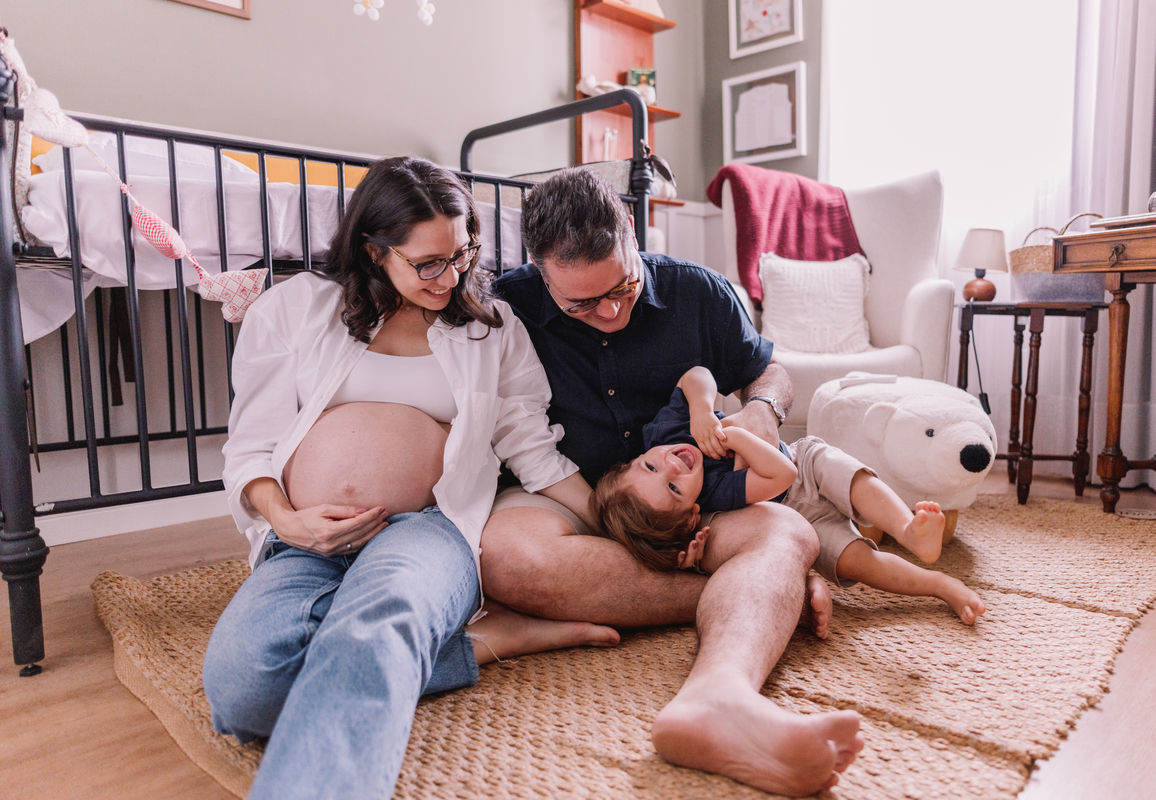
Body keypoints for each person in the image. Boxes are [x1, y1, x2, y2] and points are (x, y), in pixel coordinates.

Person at [203, 157, 617, 800]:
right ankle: (478, 644)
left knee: (374, 629)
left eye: (462, 253)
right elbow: (250, 448)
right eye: (428, 263)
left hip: (428, 531)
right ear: (374, 251)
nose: (451, 276)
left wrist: (622, 535)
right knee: (244, 690)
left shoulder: (493, 328)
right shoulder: (295, 309)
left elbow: (535, 454)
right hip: (305, 537)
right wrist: (290, 523)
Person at [485, 169, 864, 796]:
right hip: (566, 490)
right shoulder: (506, 305)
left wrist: (762, 410)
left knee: (785, 529)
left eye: (623, 287)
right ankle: (751, 596)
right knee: (507, 557)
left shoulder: (699, 292)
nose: (607, 312)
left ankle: (718, 696)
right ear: (539, 267)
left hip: (694, 498)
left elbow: (769, 372)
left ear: (631, 233)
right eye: (579, 303)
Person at [590, 366, 988, 625]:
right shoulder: (714, 490)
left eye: (650, 467)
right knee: (860, 563)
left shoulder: (666, 432)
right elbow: (781, 477)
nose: (672, 467)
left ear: (636, 457)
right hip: (795, 511)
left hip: (809, 464)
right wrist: (738, 435)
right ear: (693, 512)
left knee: (851, 479)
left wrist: (700, 408)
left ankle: (908, 529)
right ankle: (938, 584)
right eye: (674, 488)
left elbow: (696, 375)